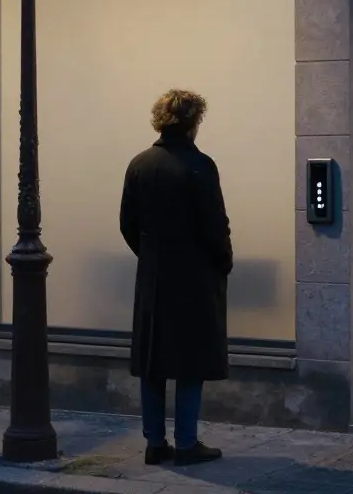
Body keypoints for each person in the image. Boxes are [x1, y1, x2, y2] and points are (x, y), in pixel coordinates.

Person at [119, 89, 232, 467]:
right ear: (192, 123)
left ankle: (154, 443)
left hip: (153, 275)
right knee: (190, 361)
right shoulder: (200, 166)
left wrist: (151, 255)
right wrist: (223, 262)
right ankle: (186, 443)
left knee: (153, 361)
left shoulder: (139, 164)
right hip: (194, 276)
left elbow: (127, 224)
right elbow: (214, 225)